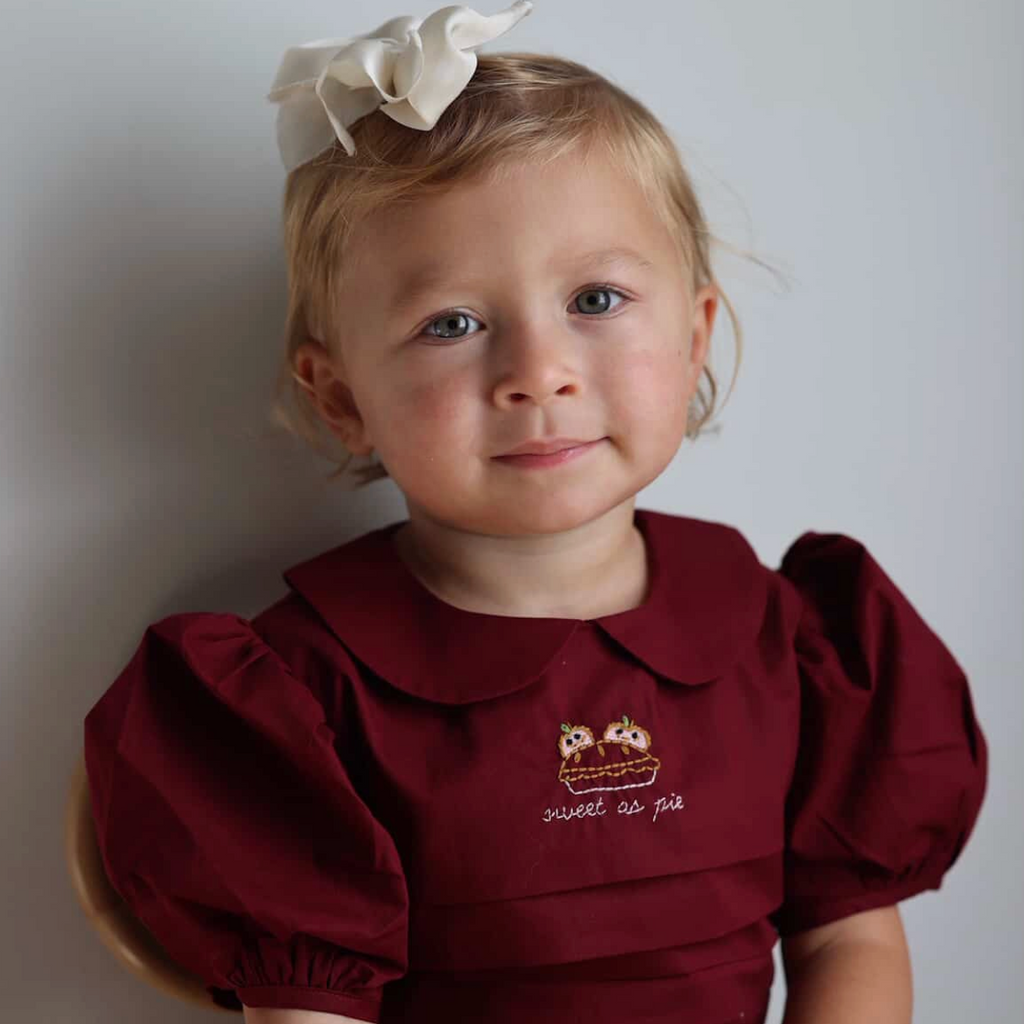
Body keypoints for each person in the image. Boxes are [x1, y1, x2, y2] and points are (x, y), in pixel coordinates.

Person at [82, 3, 988, 1023]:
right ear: (340, 398)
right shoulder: (298, 698)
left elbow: (851, 936)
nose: (537, 373)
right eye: (453, 323)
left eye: (594, 299)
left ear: (694, 338)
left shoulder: (801, 644)